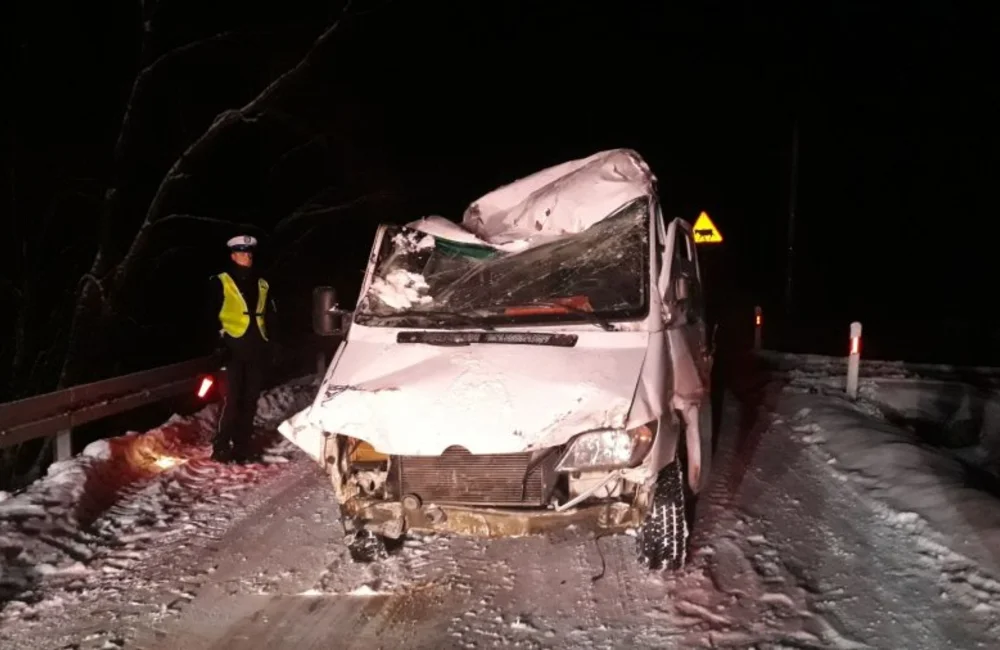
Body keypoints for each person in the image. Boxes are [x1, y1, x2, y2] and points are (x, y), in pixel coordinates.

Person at [207, 235, 277, 463]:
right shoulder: (221, 281)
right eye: (242, 252)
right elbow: (208, 317)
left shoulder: (262, 283)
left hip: (256, 348)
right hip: (232, 348)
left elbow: (270, 315)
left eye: (249, 252)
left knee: (250, 399)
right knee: (232, 400)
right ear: (232, 255)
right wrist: (217, 346)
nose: (247, 256)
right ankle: (220, 446)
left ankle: (242, 446)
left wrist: (271, 344)